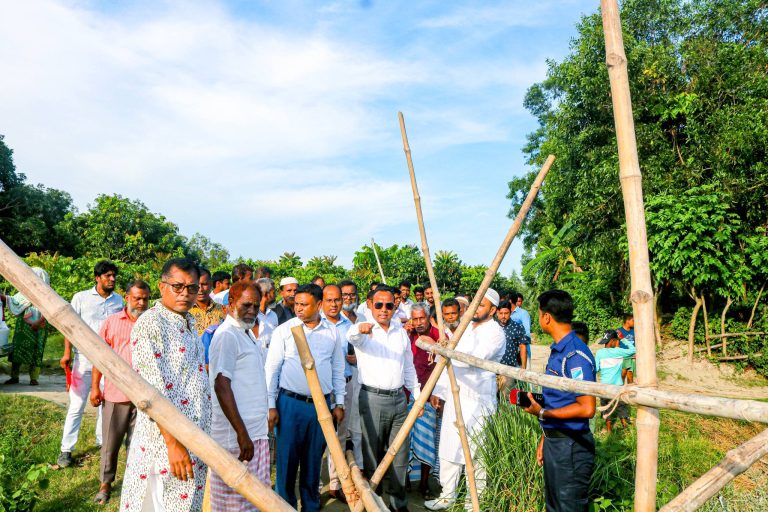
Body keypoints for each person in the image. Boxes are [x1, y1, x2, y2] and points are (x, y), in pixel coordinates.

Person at [119, 258, 211, 512]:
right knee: (159, 503)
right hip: (164, 445)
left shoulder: (189, 322)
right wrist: (173, 444)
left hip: (194, 440)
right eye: (177, 286)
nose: (185, 293)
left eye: (191, 288)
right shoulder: (150, 324)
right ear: (162, 287)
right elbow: (151, 392)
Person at [265, 284, 346, 512]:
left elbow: (338, 369)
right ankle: (284, 506)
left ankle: (310, 506)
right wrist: (271, 405)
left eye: (304, 304)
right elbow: (272, 369)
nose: (298, 308)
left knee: (313, 462)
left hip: (320, 407)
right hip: (290, 404)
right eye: (296, 304)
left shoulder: (331, 333)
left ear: (318, 305)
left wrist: (339, 402)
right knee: (287, 462)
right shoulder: (285, 330)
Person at [424, 289, 506, 511]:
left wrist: (444, 349)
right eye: (475, 304)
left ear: (493, 310)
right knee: (449, 447)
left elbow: (470, 359)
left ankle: (475, 501)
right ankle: (447, 495)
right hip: (455, 394)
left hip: (479, 400)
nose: (476, 308)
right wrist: (439, 391)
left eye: (482, 305)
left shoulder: (495, 333)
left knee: (478, 451)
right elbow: (446, 362)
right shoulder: (465, 326)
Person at [347, 286, 421, 512]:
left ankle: (399, 504)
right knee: (373, 455)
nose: (384, 310)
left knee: (400, 454)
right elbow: (352, 336)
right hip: (372, 399)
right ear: (370, 304)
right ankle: (374, 503)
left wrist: (417, 397)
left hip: (399, 399)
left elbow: (408, 366)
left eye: (389, 305)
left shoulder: (400, 331)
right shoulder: (363, 329)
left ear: (395, 306)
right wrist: (361, 328)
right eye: (378, 304)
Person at [522, 290, 596, 512]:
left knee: (569, 507)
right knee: (554, 506)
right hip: (557, 443)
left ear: (546, 317)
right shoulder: (559, 351)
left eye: (539, 313)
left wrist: (542, 414)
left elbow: (587, 407)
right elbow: (559, 401)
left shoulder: (574, 356)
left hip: (571, 447)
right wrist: (546, 437)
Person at [208, 281, 271, 511]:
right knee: (234, 504)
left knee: (254, 502)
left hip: (254, 433)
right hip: (236, 439)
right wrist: (241, 433)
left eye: (256, 306)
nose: (252, 311)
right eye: (246, 305)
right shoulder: (227, 336)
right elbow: (221, 385)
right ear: (230, 304)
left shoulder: (244, 333)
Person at [89, 280, 150, 504]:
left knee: (138, 445)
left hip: (145, 398)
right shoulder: (112, 323)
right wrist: (96, 387)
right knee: (110, 444)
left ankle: (135, 484)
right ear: (127, 297)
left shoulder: (152, 324)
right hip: (116, 395)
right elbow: (99, 357)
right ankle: (105, 484)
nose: (142, 303)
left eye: (145, 298)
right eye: (137, 298)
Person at [58, 260, 124, 468]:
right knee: (77, 405)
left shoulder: (119, 300)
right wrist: (67, 352)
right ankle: (66, 450)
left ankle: (102, 443)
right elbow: (68, 325)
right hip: (83, 359)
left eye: (114, 276)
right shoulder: (81, 298)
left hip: (108, 360)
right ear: (97, 278)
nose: (112, 279)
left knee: (105, 403)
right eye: (107, 276)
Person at [321, 284, 356, 503]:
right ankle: (314, 486)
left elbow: (357, 353)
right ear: (321, 302)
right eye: (330, 300)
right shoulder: (316, 325)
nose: (334, 304)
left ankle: (336, 483)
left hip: (346, 384)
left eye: (338, 300)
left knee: (340, 436)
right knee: (319, 437)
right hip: (323, 389)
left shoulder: (349, 326)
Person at [406, 303, 440, 498]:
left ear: (428, 318)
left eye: (422, 319)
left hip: (430, 396)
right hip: (408, 394)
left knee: (427, 438)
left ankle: (425, 483)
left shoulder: (439, 336)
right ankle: (405, 480)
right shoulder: (407, 335)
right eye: (415, 319)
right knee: (405, 438)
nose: (418, 323)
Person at [2, 267, 50, 386]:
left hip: (40, 325)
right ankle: (14, 377)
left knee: (36, 350)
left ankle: (34, 378)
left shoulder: (48, 295)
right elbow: (14, 301)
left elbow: (50, 310)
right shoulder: (25, 292)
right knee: (18, 349)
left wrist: (38, 322)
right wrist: (3, 297)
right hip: (23, 326)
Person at [338, 279, 364, 467]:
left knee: (358, 425)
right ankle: (338, 475)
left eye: (352, 294)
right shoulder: (334, 321)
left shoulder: (363, 318)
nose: (349, 298)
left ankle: (360, 466)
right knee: (340, 428)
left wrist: (360, 359)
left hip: (362, 378)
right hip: (342, 380)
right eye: (345, 295)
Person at [595, 330, 636, 432]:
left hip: (604, 387)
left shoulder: (599, 353)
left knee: (605, 407)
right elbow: (633, 350)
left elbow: (596, 369)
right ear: (613, 341)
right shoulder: (619, 351)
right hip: (618, 386)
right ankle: (625, 427)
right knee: (621, 406)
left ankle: (609, 430)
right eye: (616, 340)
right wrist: (623, 339)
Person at [189, 268, 226, 337]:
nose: (200, 289)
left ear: (211, 284)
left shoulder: (222, 309)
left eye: (204, 284)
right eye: (197, 285)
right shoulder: (186, 311)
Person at [254, 278, 278, 353]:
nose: (275, 295)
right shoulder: (252, 315)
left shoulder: (273, 315)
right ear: (266, 294)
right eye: (273, 292)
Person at [509, 291, 532, 368]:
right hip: (510, 352)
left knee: (523, 375)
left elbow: (527, 333)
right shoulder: (506, 313)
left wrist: (520, 348)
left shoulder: (523, 313)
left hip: (521, 351)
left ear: (510, 301)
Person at [617, 313, 636, 384]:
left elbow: (637, 342)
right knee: (622, 374)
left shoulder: (634, 330)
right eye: (633, 320)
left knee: (630, 375)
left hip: (631, 356)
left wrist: (636, 353)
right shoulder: (619, 331)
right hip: (623, 356)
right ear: (627, 321)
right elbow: (616, 344)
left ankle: (630, 392)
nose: (634, 322)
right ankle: (619, 390)